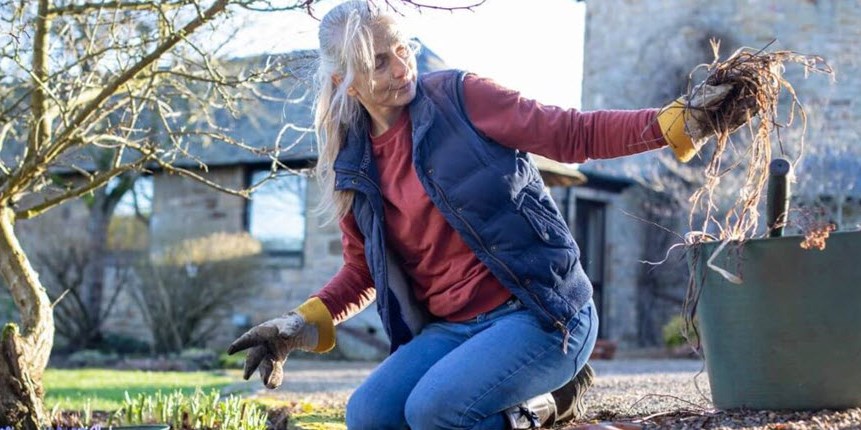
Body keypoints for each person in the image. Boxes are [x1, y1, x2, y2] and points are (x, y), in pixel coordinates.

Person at [227, 1, 750, 429]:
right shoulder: (354, 163)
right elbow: (363, 270)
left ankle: (542, 406)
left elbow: (571, 133)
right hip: (453, 330)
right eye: (379, 62)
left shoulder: (459, 98)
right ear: (348, 80)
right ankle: (543, 403)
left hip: (541, 313)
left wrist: (678, 123)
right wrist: (298, 326)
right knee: (369, 417)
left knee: (433, 412)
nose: (401, 67)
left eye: (402, 49)